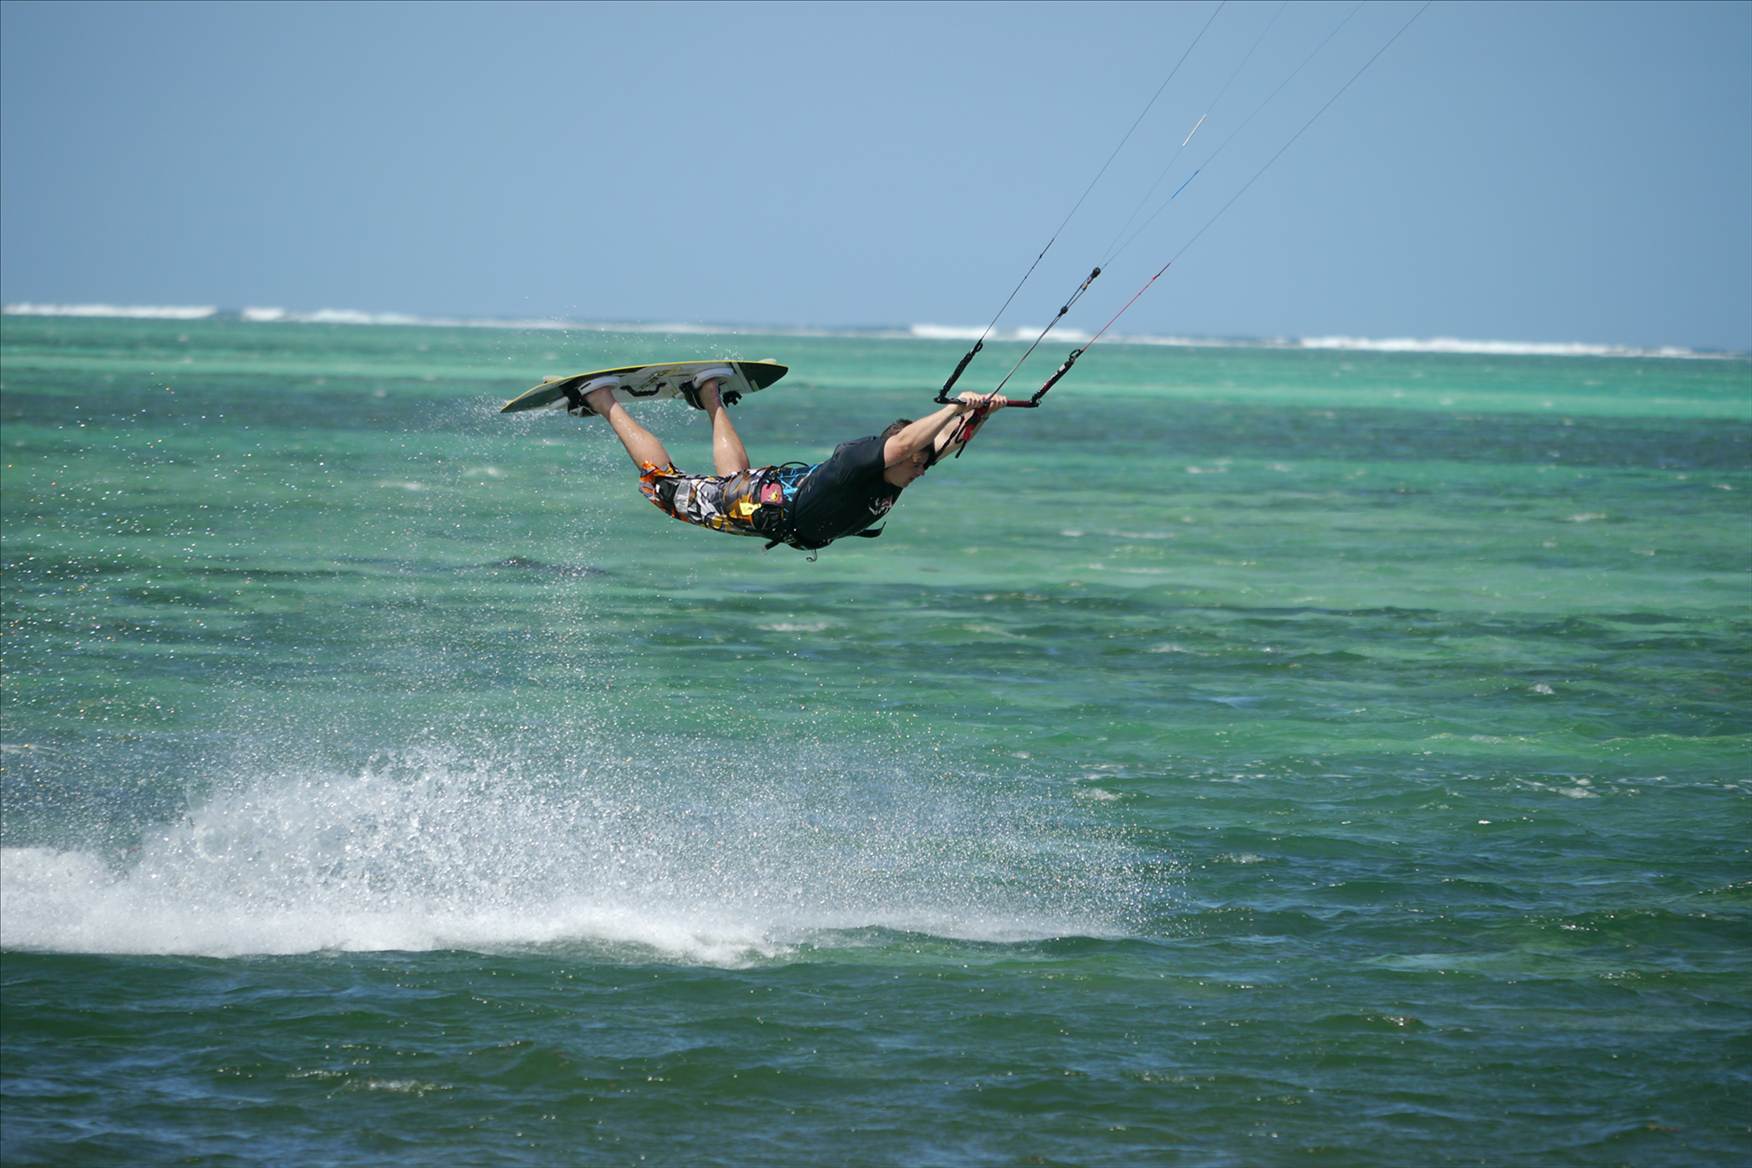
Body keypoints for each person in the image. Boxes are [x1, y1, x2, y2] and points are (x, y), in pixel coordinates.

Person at [575, 368, 1008, 553]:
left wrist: (981, 413)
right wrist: (955, 407)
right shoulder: (864, 461)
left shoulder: (901, 471)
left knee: (736, 479)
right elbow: (913, 440)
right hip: (767, 507)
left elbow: (947, 442)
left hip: (774, 499)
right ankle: (601, 398)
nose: (922, 469)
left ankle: (708, 392)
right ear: (897, 452)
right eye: (916, 461)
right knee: (663, 487)